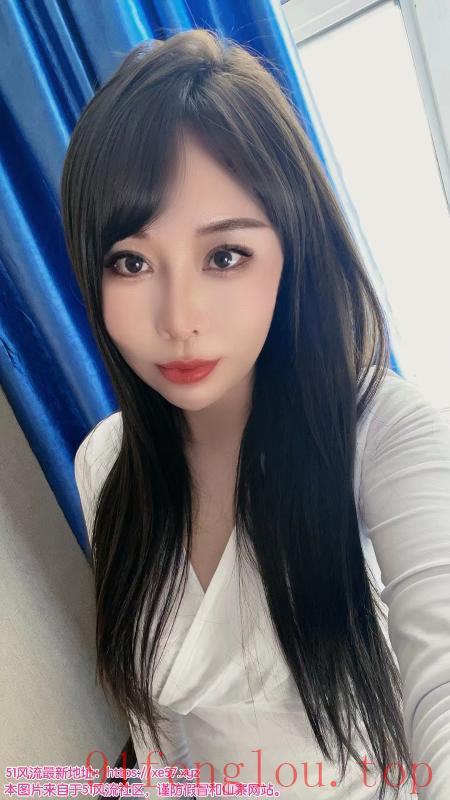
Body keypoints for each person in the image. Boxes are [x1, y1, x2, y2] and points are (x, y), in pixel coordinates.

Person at [60, 28, 450, 799]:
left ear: (291, 250)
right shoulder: (104, 462)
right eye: (131, 262)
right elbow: (159, 735)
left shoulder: (381, 432)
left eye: (224, 256)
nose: (179, 319)